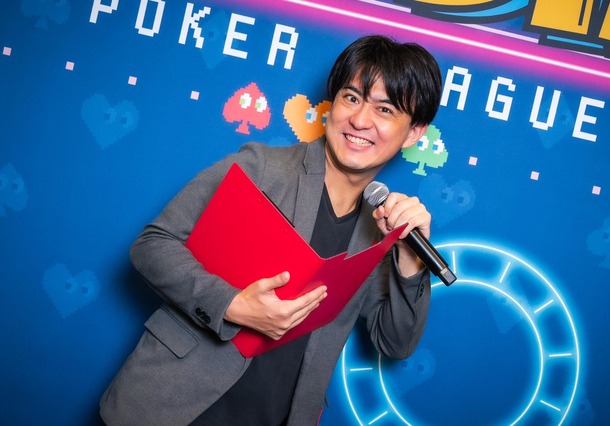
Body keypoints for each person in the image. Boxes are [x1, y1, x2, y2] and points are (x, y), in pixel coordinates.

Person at [100, 34, 442, 425]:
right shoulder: (262, 168)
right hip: (171, 407)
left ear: (414, 132)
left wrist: (410, 259)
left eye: (384, 109)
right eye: (351, 98)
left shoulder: (381, 229)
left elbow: (395, 342)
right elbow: (153, 244)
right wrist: (232, 305)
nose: (360, 120)